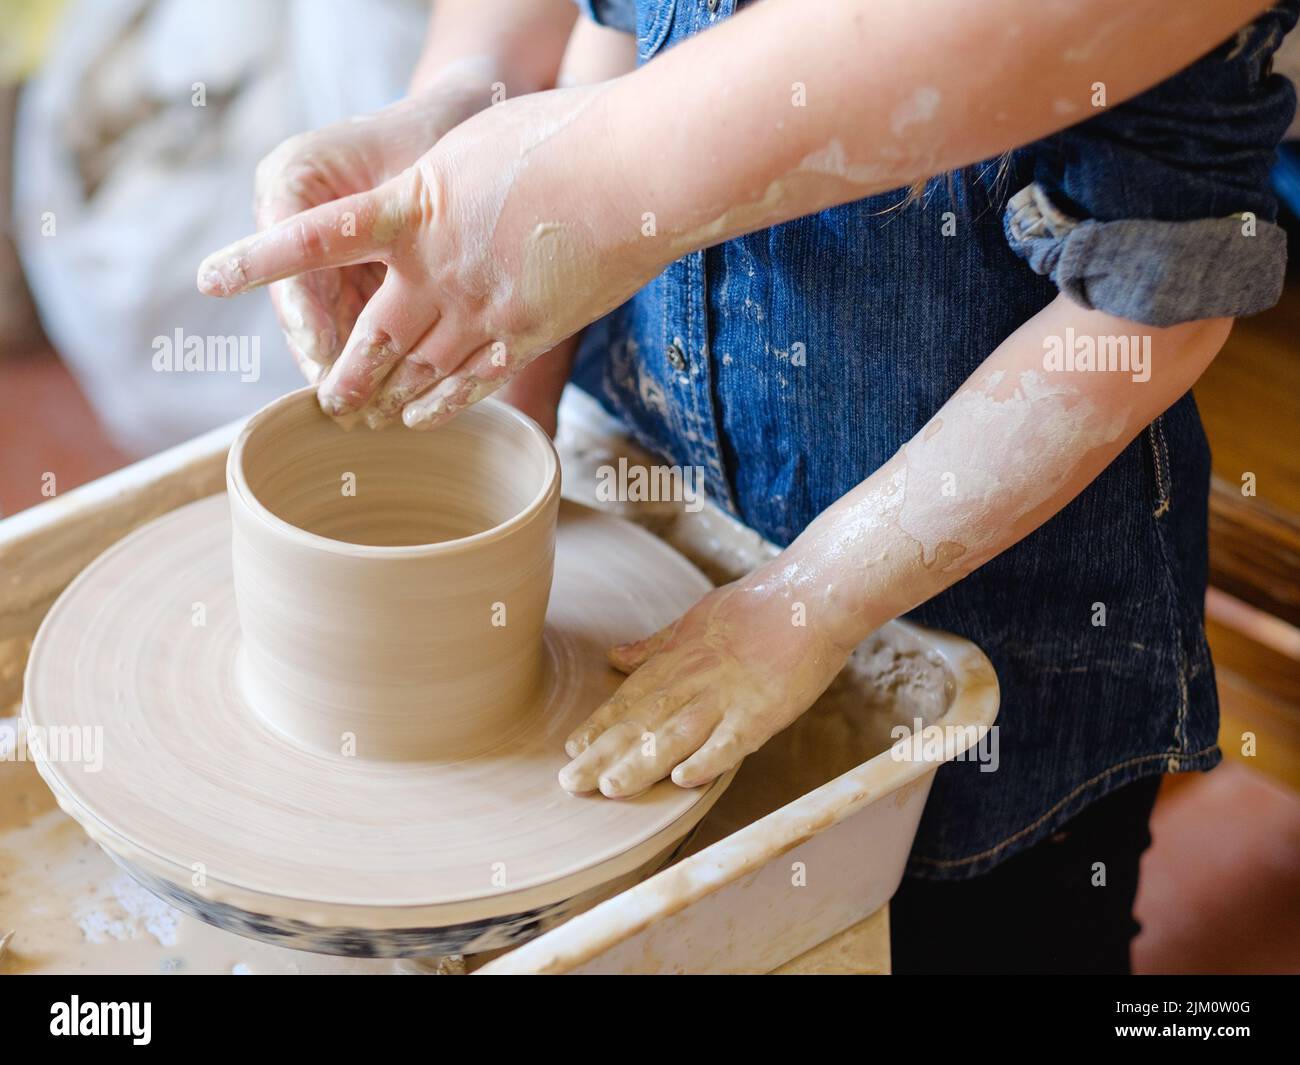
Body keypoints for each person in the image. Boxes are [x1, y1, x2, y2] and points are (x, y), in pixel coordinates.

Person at [197, 0, 1298, 973]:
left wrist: (813, 595)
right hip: (669, 503)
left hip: (997, 630)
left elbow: (1152, 304)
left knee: (977, 931)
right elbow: (610, 44)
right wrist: (498, 393)